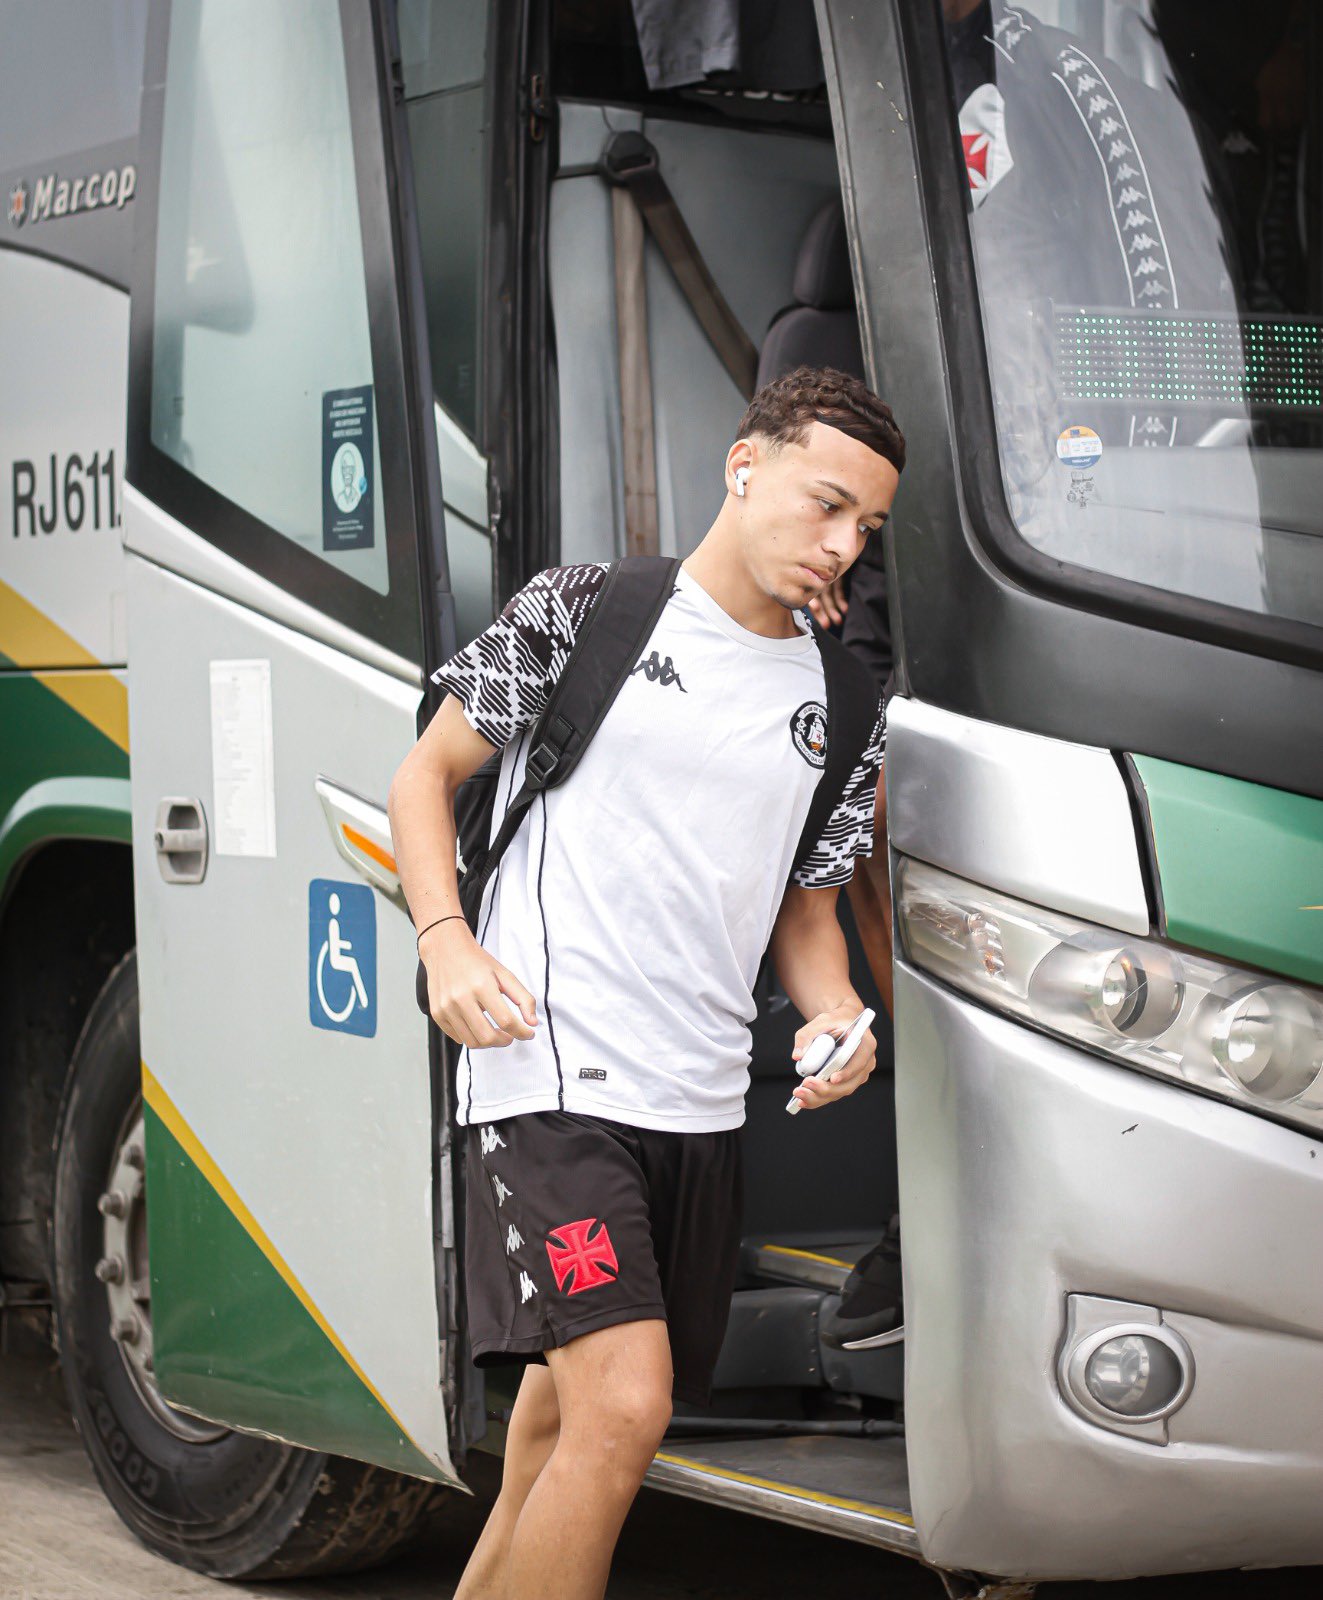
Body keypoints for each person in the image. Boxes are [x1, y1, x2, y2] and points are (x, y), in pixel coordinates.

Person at [387, 364, 903, 1600]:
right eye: (828, 504)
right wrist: (445, 939)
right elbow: (425, 776)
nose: (843, 545)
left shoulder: (845, 701)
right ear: (745, 466)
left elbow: (809, 910)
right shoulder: (586, 611)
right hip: (548, 1076)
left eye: (869, 527)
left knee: (563, 1423)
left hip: (700, 1101)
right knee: (625, 1405)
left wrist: (836, 1011)